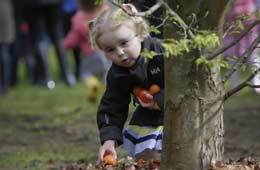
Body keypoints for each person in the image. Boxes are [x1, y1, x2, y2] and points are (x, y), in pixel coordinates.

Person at [88, 4, 164, 163]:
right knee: (146, 156)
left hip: (178, 112)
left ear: (140, 33)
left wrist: (159, 98)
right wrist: (109, 141)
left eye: (124, 43)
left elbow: (185, 85)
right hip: (149, 118)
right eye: (110, 50)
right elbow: (112, 105)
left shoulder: (161, 52)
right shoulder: (117, 74)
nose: (120, 53)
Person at [223, 0, 260, 93]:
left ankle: (257, 86)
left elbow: (251, 13)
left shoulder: (249, 1)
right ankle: (234, 87)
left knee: (253, 58)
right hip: (232, 33)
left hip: (248, 33)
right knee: (232, 60)